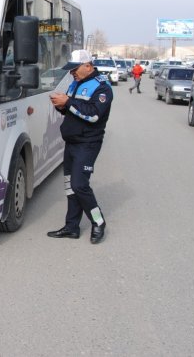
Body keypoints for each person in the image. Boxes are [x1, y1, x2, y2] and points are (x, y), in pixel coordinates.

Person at [48, 49, 113, 244]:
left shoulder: (103, 87)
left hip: (88, 143)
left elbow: (93, 115)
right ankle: (71, 227)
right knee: (70, 187)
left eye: (74, 69)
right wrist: (62, 106)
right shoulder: (76, 83)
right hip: (72, 142)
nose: (71, 73)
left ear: (88, 66)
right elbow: (73, 111)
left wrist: (68, 101)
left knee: (80, 185)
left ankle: (98, 221)